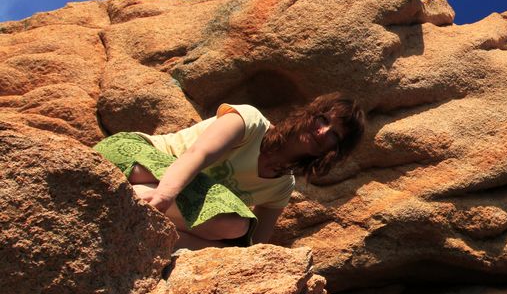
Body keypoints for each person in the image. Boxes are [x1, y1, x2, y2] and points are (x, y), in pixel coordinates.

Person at [92, 93, 365, 250]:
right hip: (135, 157)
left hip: (160, 198)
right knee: (231, 221)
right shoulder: (249, 121)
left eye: (334, 135)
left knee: (234, 229)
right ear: (309, 113)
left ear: (332, 151)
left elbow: (253, 247)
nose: (323, 131)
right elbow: (198, 155)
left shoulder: (281, 187)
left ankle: (135, 207)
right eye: (323, 119)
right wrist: (164, 195)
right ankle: (137, 197)